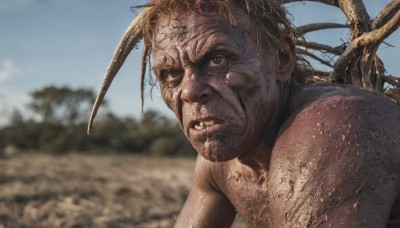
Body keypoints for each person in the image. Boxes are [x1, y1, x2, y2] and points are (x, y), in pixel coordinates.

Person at [88, 0, 400, 227]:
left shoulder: (333, 128)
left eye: (216, 61)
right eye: (170, 74)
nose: (189, 91)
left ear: (281, 58)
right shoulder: (221, 165)